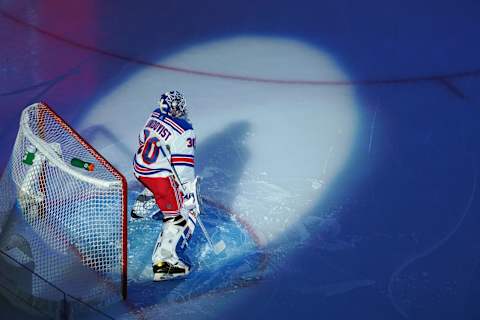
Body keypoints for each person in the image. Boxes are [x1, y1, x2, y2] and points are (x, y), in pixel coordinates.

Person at [131, 90, 199, 281]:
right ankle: (165, 263)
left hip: (139, 167)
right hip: (159, 177)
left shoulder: (154, 114)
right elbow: (183, 168)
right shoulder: (185, 129)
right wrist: (187, 193)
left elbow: (142, 139)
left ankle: (139, 209)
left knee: (159, 183)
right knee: (182, 212)